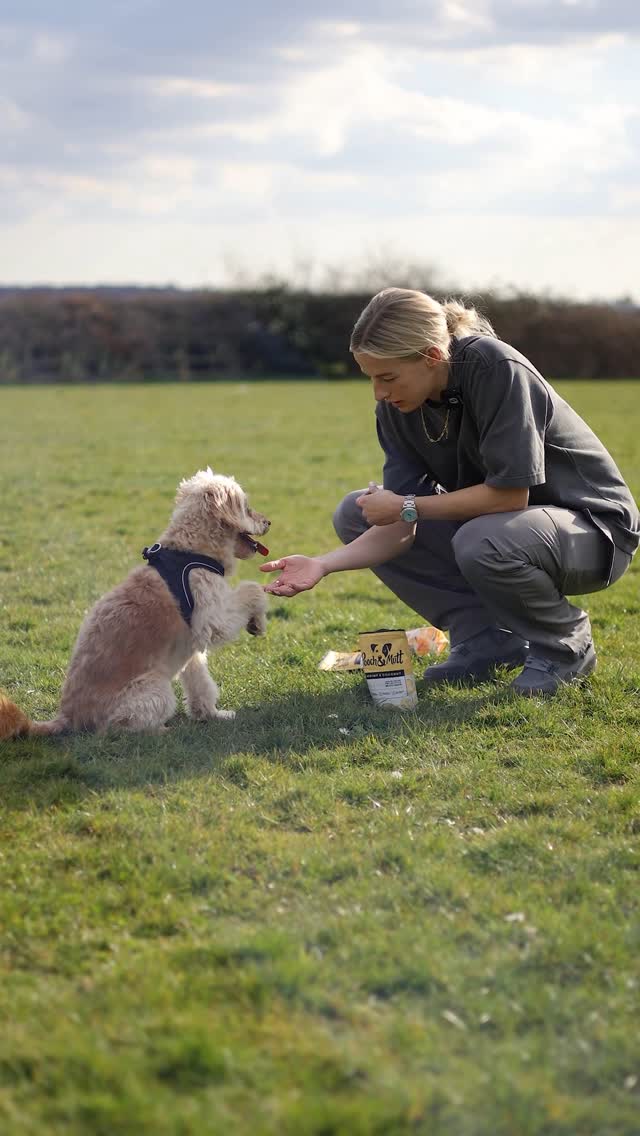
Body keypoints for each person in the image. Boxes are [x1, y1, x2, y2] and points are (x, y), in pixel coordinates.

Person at [261, 288, 639, 696]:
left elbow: (510, 497)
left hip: (594, 533)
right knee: (356, 512)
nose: (379, 393)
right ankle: (485, 639)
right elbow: (399, 527)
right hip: (503, 532)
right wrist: (322, 565)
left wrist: (407, 505)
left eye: (388, 377)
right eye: (371, 377)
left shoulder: (494, 366)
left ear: (431, 356)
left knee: (480, 539)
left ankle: (565, 646)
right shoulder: (396, 409)